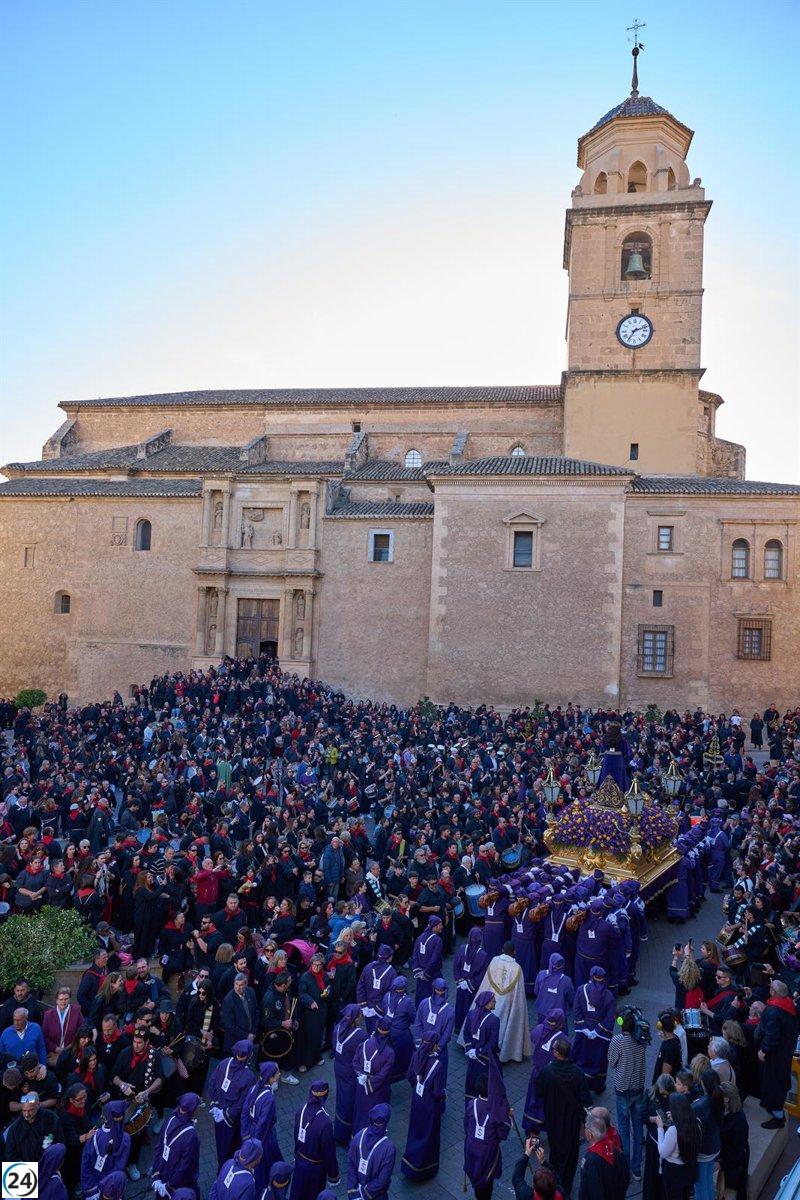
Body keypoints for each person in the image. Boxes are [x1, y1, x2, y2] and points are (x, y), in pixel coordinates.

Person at [535, 1035, 591, 1197]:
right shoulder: (578, 1073)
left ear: (557, 1053)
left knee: (555, 1154)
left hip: (553, 1122)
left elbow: (538, 1091)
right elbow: (586, 1099)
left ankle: (553, 1183)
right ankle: (565, 1185)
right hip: (572, 1124)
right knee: (571, 1157)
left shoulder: (547, 1072)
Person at [467, 940, 531, 1063]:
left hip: (490, 998)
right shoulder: (517, 968)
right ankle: (505, 1051)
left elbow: (486, 982)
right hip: (508, 1002)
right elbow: (519, 993)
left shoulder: (494, 960)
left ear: (502, 949)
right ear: (514, 952)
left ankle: (479, 1044)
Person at [608, 1008, 647, 1181]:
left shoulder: (617, 1040)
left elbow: (611, 1063)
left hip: (622, 1090)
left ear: (620, 1023)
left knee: (623, 1130)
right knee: (638, 1129)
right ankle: (636, 1169)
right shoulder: (642, 1039)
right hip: (638, 1088)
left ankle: (625, 1168)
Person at [402, 1032, 445, 1181]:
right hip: (429, 1104)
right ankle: (424, 1167)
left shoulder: (415, 1056)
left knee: (415, 1129)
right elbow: (438, 1092)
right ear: (433, 1046)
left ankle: (410, 1162)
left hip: (417, 1099)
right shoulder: (437, 1066)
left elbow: (409, 1076)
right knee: (428, 1134)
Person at [755, 978, 798, 1128]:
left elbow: (772, 1036)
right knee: (780, 1082)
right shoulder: (789, 1005)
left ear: (773, 992)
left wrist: (763, 1050)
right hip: (785, 1052)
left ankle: (778, 1117)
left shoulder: (773, 1010)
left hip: (775, 1056)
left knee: (773, 1085)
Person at [287, 1080, 339, 1200]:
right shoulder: (326, 1122)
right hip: (316, 1168)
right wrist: (333, 1175)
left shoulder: (301, 1109)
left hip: (300, 1161)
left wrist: (296, 1155)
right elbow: (329, 1152)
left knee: (297, 1193)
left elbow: (296, 1135)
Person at [464, 1069, 511, 1200]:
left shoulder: (471, 1104)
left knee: (475, 1175)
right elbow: (502, 1134)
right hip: (487, 1152)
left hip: (471, 1146)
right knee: (486, 1181)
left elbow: (466, 1125)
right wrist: (508, 1118)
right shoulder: (496, 1111)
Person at [208, 1040, 256, 1168]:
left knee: (220, 1147)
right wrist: (227, 1114)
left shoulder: (224, 1063)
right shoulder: (249, 1076)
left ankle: (221, 1169)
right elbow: (243, 1102)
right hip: (233, 1120)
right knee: (232, 1147)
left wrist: (214, 1104)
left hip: (218, 1114)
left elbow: (212, 1082)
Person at [572, 966, 615, 1093]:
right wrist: (597, 1030)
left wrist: (584, 1028)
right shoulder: (609, 996)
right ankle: (597, 1087)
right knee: (598, 1061)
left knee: (581, 1058)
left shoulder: (581, 990)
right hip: (600, 1036)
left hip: (583, 1033)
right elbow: (610, 1018)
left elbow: (576, 1010)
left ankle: (578, 1085)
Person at [240, 1060, 282, 1190]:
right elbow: (263, 1124)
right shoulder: (268, 1097)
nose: (279, 1074)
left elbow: (245, 1111)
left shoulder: (254, 1088)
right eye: (277, 1073)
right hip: (264, 1136)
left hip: (251, 1131)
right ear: (270, 1078)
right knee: (266, 1163)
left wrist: (245, 1134)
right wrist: (256, 1144)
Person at [523, 1009, 567, 1133]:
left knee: (533, 1101)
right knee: (547, 1104)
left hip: (537, 1073)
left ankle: (530, 1129)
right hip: (552, 1077)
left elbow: (533, 1038)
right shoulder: (563, 1040)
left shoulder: (538, 1029)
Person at [151, 1092, 201, 1199]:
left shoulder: (170, 1119)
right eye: (198, 1106)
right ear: (193, 1111)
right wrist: (170, 1185)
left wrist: (156, 1174)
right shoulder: (192, 1135)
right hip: (179, 1182)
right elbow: (186, 1165)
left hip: (163, 1171)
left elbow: (159, 1147)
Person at [80, 1101, 131, 1200]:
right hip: (112, 1184)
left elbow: (85, 1164)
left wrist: (91, 1188)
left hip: (95, 1180)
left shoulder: (93, 1135)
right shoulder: (125, 1138)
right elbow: (119, 1167)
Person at [331, 1005, 367, 1145]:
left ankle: (339, 1129)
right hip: (350, 1073)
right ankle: (345, 1134)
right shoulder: (360, 1035)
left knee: (341, 1098)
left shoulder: (338, 1027)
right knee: (349, 1101)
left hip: (338, 1067)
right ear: (356, 1018)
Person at [655, 1093, 700, 1200]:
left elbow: (663, 1152)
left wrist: (660, 1128)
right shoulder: (695, 1123)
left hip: (674, 1172)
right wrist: (675, 1118)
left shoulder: (673, 1131)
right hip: (689, 1168)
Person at [578, 1110, 631, 1200]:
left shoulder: (591, 1160)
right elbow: (626, 1173)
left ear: (590, 1134)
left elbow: (593, 1190)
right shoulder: (614, 1147)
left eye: (585, 1128)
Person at [348, 1102, 396, 1199]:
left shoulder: (359, 1135)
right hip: (376, 1196)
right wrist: (365, 1193)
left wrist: (353, 1191)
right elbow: (383, 1179)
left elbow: (351, 1163)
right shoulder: (389, 1147)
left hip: (356, 1191)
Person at [412, 976, 454, 1082]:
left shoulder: (423, 1003)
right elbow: (447, 1034)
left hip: (422, 1046)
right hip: (438, 1051)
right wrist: (437, 1047)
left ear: (433, 988)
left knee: (420, 1070)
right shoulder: (450, 1011)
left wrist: (419, 1042)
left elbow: (417, 1024)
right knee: (438, 1076)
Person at [691, 1068, 724, 1200]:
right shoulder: (718, 1098)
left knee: (700, 1186)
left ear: (703, 1084)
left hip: (703, 1151)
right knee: (709, 1182)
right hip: (714, 1147)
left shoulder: (699, 1106)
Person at [463, 990, 501, 1101]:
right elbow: (492, 1043)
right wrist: (478, 1052)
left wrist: (470, 1049)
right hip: (486, 1059)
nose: (495, 1003)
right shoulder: (494, 1020)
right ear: (487, 1003)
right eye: (493, 1001)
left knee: (471, 1079)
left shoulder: (471, 1013)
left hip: (473, 1057)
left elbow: (466, 1034)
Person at [453, 927, 489, 1034]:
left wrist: (459, 980)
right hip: (472, 989)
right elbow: (482, 975)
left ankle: (458, 1028)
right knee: (469, 1008)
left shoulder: (461, 948)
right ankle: (467, 1030)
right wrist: (470, 983)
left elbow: (456, 966)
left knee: (459, 1006)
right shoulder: (483, 955)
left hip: (461, 985)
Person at [382, 975, 416, 1082]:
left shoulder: (387, 996)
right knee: (406, 1055)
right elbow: (414, 1017)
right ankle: (405, 1074)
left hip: (387, 1031)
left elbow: (383, 1009)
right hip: (401, 1034)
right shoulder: (407, 1001)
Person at [719, 1082, 749, 1200]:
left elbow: (737, 1152)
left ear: (726, 1099)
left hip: (731, 1162)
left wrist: (721, 1164)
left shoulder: (739, 1122)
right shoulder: (725, 1111)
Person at [43, 987, 85, 1067]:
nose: (63, 1002)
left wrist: (72, 1046)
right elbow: (44, 1037)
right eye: (61, 999)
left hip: (72, 1051)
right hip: (54, 1052)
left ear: (69, 999)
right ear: (56, 1000)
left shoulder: (76, 1011)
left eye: (66, 999)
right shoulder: (48, 1015)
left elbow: (82, 1030)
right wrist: (56, 1049)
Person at [220, 973, 260, 1055]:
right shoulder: (228, 1000)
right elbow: (230, 1026)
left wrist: (253, 1033)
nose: (238, 988)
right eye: (236, 984)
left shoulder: (251, 992)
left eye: (241, 985)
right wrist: (247, 1036)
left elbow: (256, 1012)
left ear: (246, 984)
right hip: (235, 1043)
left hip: (250, 1038)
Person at [411, 915, 444, 1004]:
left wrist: (418, 972)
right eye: (440, 925)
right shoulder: (438, 940)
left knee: (421, 999)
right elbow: (434, 960)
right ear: (435, 927)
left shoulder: (419, 937)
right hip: (433, 975)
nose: (442, 926)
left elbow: (415, 956)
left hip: (420, 975)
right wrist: (426, 974)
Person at [534, 953, 575, 1024]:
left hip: (542, 1013)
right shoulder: (566, 980)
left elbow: (536, 991)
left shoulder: (541, 974)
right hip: (559, 1016)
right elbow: (571, 999)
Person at [652, 1012, 683, 1083]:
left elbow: (665, 1075)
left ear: (660, 1026)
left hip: (660, 1088)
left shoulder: (669, 1048)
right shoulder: (675, 1039)